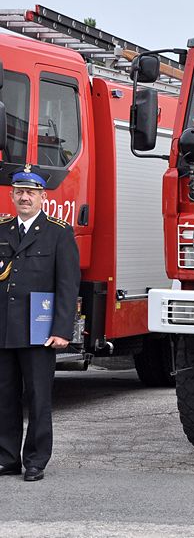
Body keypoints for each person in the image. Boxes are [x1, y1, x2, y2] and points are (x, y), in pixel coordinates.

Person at [0, 166, 80, 482]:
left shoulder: (58, 233)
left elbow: (67, 285)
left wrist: (62, 330)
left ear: (42, 197)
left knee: (38, 397)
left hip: (39, 331)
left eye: (31, 193)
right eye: (20, 192)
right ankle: (7, 458)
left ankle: (35, 460)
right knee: (4, 396)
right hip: (4, 328)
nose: (25, 198)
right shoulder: (2, 230)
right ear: (12, 196)